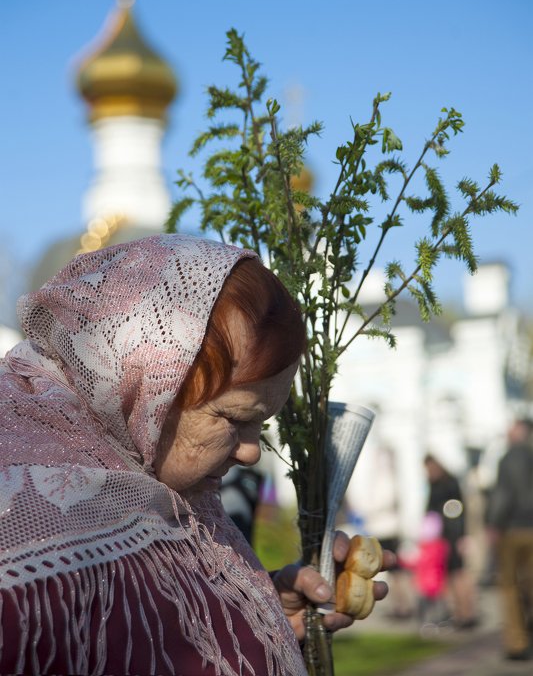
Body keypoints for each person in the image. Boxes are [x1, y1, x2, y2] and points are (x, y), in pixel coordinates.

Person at [0, 234, 392, 675]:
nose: (249, 452)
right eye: (233, 418)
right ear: (141, 389)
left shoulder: (182, 502)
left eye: (261, 424)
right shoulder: (26, 540)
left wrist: (262, 621)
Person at [486, 418, 533, 661]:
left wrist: (493, 523)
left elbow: (503, 494)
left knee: (510, 586)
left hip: (514, 528)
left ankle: (517, 642)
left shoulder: (511, 456)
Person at [424, 454, 477, 628]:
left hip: (453, 536)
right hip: (442, 537)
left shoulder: (448, 483)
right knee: (450, 577)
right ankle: (458, 613)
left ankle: (466, 613)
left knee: (459, 575)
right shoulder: (434, 483)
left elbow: (457, 511)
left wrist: (461, 536)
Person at [399, 512, 449, 627]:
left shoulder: (422, 549)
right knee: (437, 605)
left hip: (423, 584)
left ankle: (425, 622)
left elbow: (411, 563)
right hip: (437, 583)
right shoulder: (441, 546)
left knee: (425, 606)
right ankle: (439, 621)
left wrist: (403, 559)